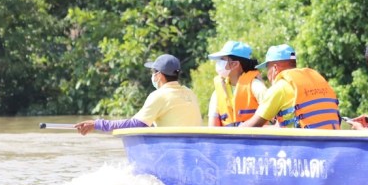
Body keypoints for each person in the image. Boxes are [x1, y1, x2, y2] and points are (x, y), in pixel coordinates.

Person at [75, 54, 203, 134]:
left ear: (159, 76)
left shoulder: (159, 95)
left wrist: (98, 124)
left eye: (153, 72)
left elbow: (136, 124)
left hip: (173, 149)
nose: (152, 75)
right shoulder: (190, 93)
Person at [239, 44, 341, 129]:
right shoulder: (313, 82)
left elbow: (253, 125)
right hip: (331, 141)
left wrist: (237, 128)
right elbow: (281, 126)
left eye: (267, 68)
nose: (266, 73)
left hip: (304, 144)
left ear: (275, 68)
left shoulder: (280, 87)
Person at [206, 40, 267, 127]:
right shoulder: (217, 93)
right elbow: (212, 128)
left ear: (235, 64)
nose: (218, 63)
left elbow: (271, 110)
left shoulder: (256, 86)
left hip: (254, 136)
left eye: (222, 59)